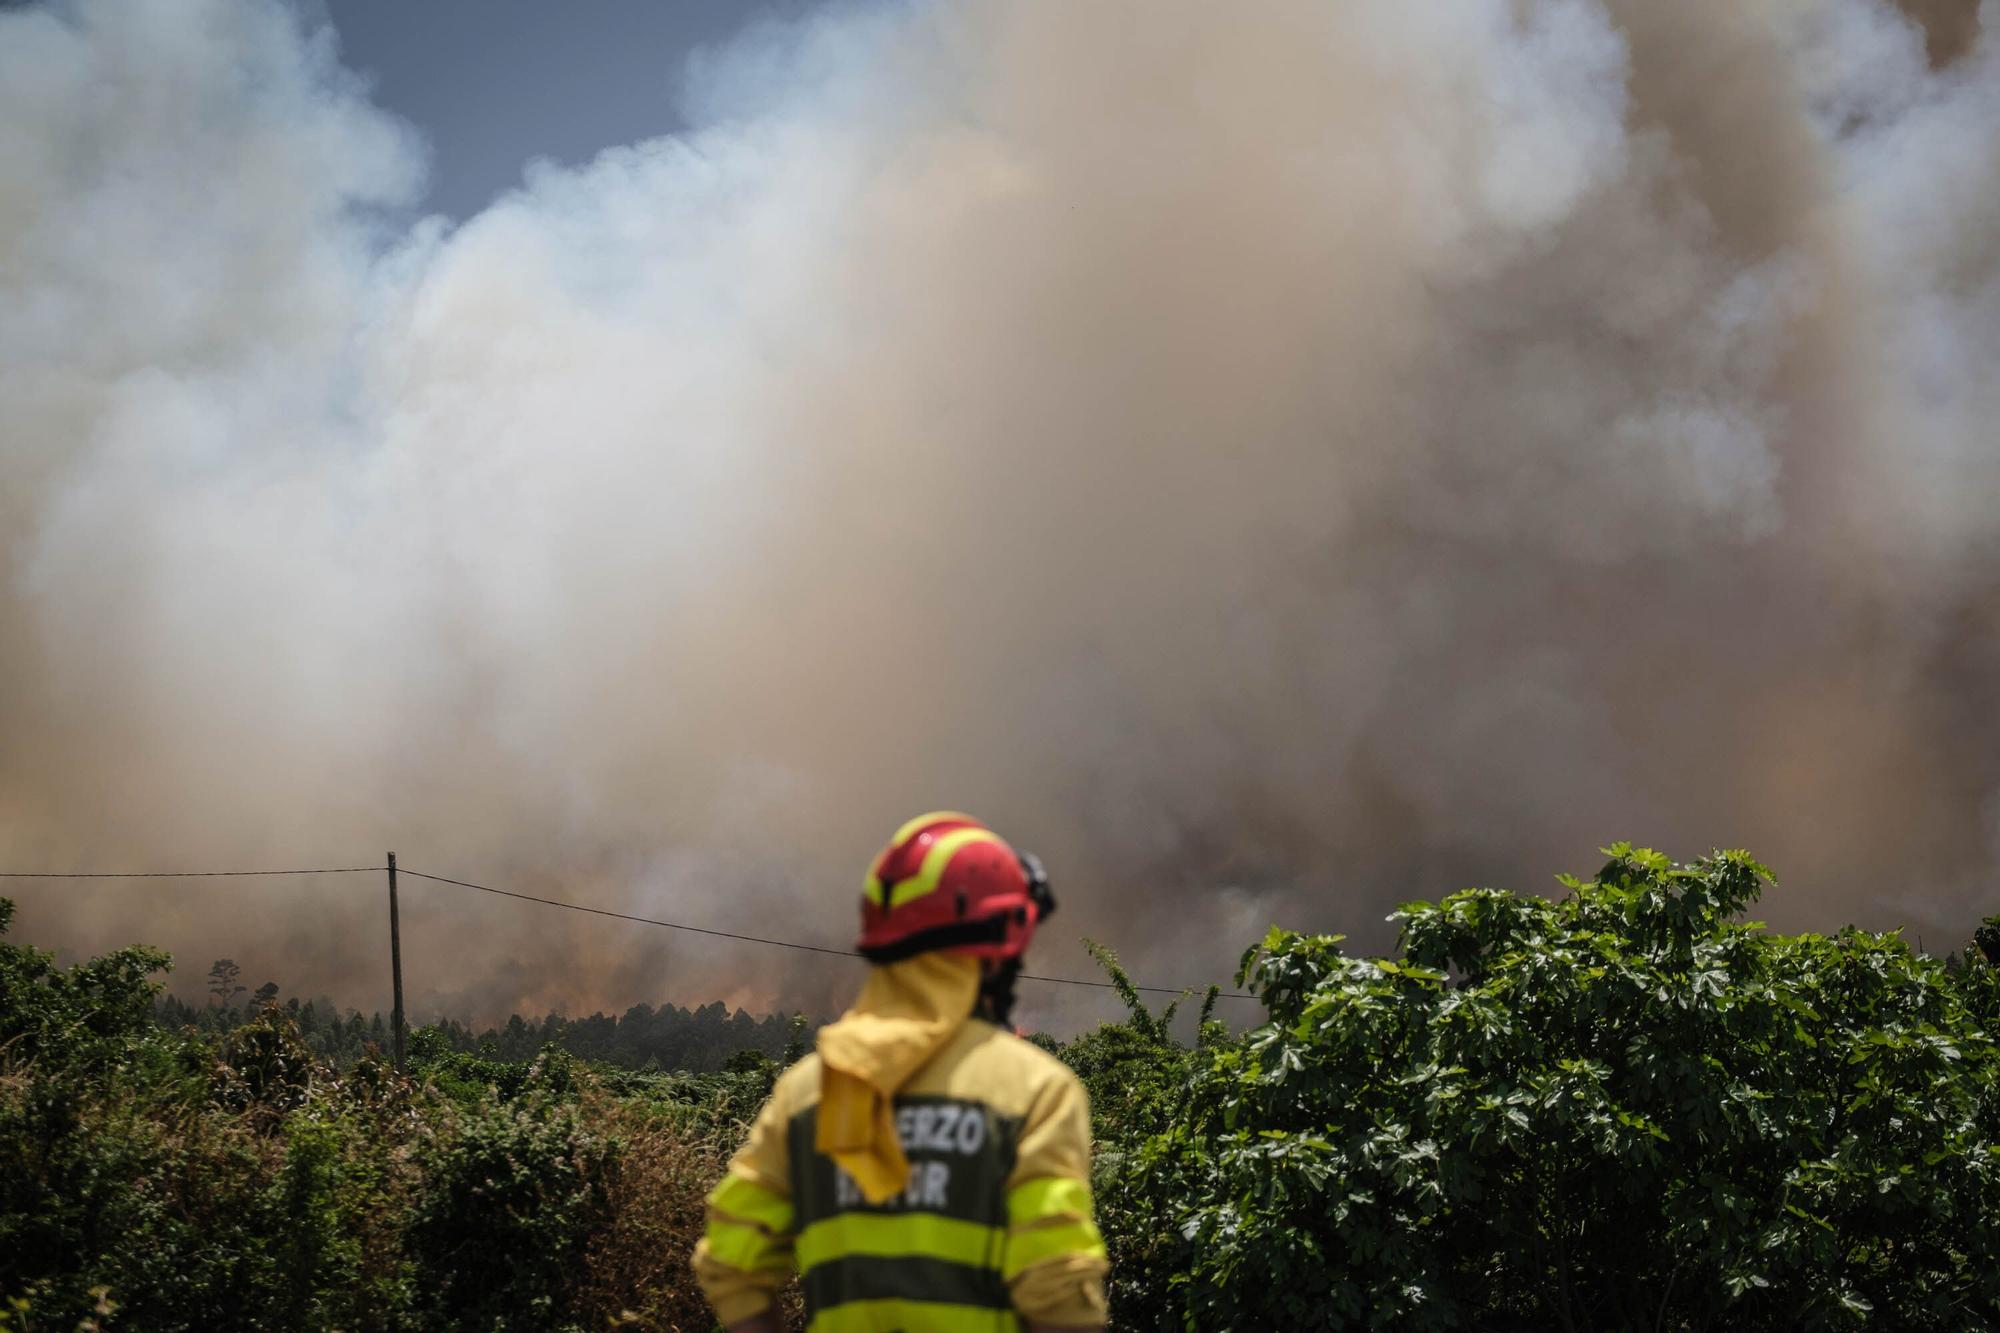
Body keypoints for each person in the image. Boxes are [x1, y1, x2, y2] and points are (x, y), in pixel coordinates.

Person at [692, 812, 1109, 1331]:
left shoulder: (810, 1092)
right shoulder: (1033, 1091)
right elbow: (1059, 1291)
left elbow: (729, 1263)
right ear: (999, 945)